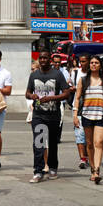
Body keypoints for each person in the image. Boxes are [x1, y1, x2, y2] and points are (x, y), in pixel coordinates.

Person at [26, 50, 71, 182]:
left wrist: (52, 98)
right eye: (41, 58)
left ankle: (52, 167)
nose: (43, 60)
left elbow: (67, 93)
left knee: (52, 143)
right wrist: (31, 96)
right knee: (38, 143)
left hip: (53, 115)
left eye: (45, 58)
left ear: (49, 60)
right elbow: (27, 92)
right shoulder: (34, 75)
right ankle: (38, 171)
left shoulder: (57, 74)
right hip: (38, 114)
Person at [73, 55, 103, 185]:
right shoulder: (83, 80)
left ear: (100, 65)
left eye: (96, 63)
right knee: (89, 144)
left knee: (99, 142)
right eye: (92, 63)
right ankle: (92, 169)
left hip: (101, 114)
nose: (94, 65)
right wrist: (74, 115)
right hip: (86, 115)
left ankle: (96, 171)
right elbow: (77, 98)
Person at [63, 53, 88, 169]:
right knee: (79, 134)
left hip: (90, 106)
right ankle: (82, 158)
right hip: (78, 105)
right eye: (81, 61)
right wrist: (74, 88)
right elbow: (70, 86)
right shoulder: (76, 73)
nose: (82, 64)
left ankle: (87, 155)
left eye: (84, 61)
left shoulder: (94, 75)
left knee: (89, 136)